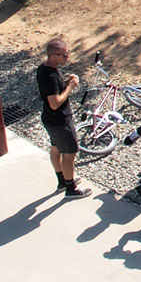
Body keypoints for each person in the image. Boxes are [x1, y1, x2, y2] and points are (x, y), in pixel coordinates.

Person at [37, 37, 86, 197]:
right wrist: (71, 87)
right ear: (53, 56)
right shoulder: (50, 76)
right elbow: (55, 102)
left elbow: (53, 90)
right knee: (69, 154)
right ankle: (71, 189)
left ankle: (62, 181)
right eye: (64, 55)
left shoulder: (44, 69)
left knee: (55, 148)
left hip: (50, 120)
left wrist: (64, 83)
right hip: (59, 121)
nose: (67, 57)